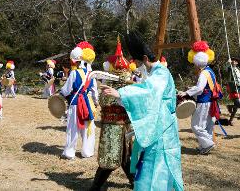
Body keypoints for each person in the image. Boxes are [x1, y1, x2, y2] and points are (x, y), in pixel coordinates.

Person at [100, 31, 183, 191]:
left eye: (139, 63)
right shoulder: (156, 73)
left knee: (156, 170)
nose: (138, 67)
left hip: (162, 131)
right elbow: (145, 91)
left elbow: (149, 92)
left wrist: (121, 93)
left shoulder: (161, 73)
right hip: (158, 127)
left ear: (145, 59)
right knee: (149, 167)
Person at [90, 37, 134, 191]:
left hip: (121, 127)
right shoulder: (108, 87)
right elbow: (105, 102)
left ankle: (134, 182)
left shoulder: (126, 87)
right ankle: (96, 187)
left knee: (122, 156)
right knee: (116, 157)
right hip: (113, 127)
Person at [178, 41, 221, 155]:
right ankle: (204, 146)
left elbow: (200, 89)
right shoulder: (210, 71)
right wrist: (193, 88)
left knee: (196, 126)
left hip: (204, 102)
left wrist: (186, 93)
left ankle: (208, 144)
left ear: (197, 62)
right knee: (206, 126)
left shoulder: (203, 73)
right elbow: (205, 87)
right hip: (211, 102)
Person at [60, 43, 99, 160]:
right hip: (87, 103)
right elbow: (95, 92)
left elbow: (66, 91)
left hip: (75, 103)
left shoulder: (74, 73)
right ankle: (87, 152)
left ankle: (69, 153)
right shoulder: (91, 75)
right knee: (87, 128)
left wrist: (60, 92)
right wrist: (96, 102)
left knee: (73, 128)